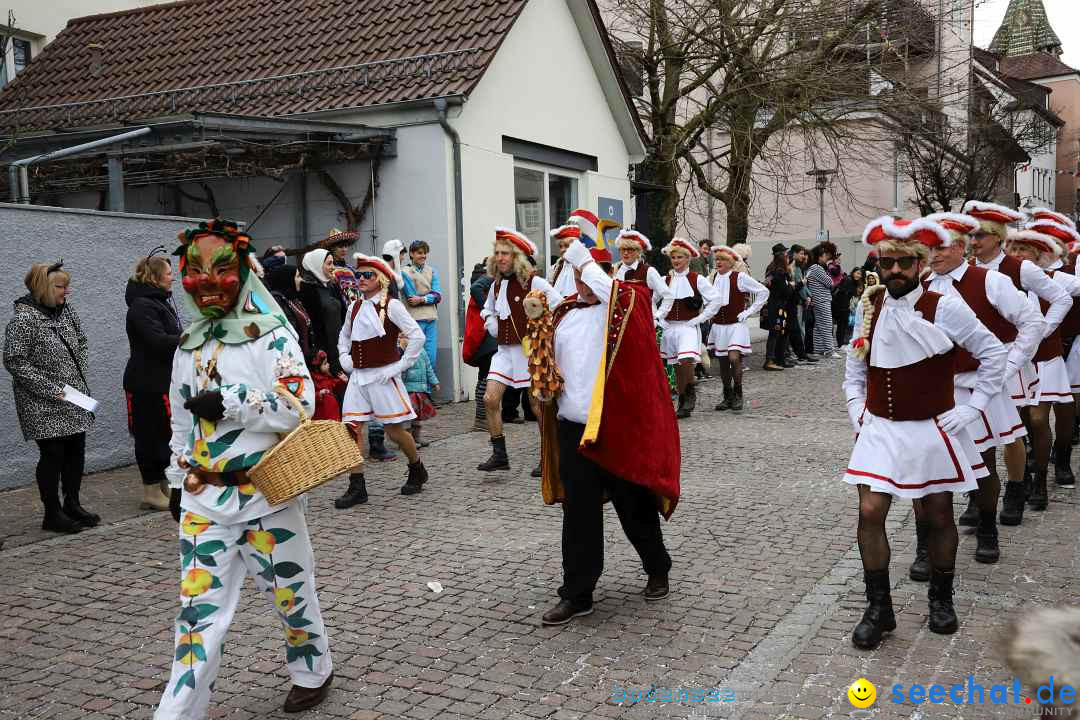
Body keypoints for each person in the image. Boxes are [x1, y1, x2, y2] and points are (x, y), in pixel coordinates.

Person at [156, 219, 332, 719]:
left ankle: (313, 669)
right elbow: (179, 419)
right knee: (197, 616)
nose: (208, 283)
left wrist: (234, 402)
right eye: (195, 273)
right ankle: (178, 712)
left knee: (291, 594)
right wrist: (176, 479)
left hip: (266, 494)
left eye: (221, 271)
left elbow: (301, 406)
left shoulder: (270, 338)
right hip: (203, 500)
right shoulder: (188, 344)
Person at [843, 216, 1007, 650]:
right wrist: (857, 410)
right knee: (870, 512)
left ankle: (941, 598)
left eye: (904, 263)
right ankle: (879, 608)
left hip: (932, 428)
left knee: (937, 514)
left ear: (919, 265)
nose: (895, 270)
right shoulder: (870, 306)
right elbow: (854, 369)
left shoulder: (945, 305)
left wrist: (972, 409)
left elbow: (994, 354)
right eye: (887, 262)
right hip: (880, 428)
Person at [539, 239, 680, 625]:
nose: (583, 283)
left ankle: (657, 566)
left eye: (590, 274)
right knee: (578, 512)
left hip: (615, 428)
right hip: (572, 427)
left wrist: (586, 263)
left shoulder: (626, 304)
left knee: (633, 504)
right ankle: (578, 592)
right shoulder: (565, 313)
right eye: (578, 275)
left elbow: (612, 295)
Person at [919, 212, 1042, 573]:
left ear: (959, 246)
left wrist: (1007, 365)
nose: (933, 255)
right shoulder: (922, 283)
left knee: (985, 462)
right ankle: (925, 545)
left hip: (979, 386)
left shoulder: (991, 281)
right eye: (929, 249)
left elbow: (1031, 322)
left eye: (939, 248)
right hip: (935, 388)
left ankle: (988, 529)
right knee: (926, 465)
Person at [966, 201, 1071, 514]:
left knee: (1012, 431)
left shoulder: (1019, 268)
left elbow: (1060, 297)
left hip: (1012, 359)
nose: (974, 241)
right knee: (975, 430)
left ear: (997, 237)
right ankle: (978, 497)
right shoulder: (964, 270)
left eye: (981, 235)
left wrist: (1041, 332)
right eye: (971, 235)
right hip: (974, 362)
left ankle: (1019, 489)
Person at [4, 261, 99, 534]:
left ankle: (73, 504)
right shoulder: (24, 319)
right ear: (43, 287)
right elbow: (14, 360)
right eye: (61, 286)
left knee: (76, 450)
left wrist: (76, 376)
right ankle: (52, 513)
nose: (67, 292)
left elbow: (80, 340)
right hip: (42, 401)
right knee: (53, 455)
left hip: (73, 396)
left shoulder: (66, 312)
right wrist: (50, 388)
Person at [334, 255, 430, 508]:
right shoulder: (355, 306)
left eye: (368, 275)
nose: (362, 279)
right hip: (358, 377)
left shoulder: (393, 306)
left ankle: (416, 467)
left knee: (394, 431)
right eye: (359, 275)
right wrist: (345, 359)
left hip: (383, 376)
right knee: (351, 429)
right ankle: (357, 486)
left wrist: (399, 366)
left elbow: (417, 337)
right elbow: (343, 336)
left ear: (381, 279)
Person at [478, 228, 562, 475]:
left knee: (537, 405)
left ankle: (549, 455)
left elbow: (559, 306)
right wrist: (490, 322)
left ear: (517, 257)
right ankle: (499, 454)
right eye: (497, 253)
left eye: (506, 253)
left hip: (529, 352)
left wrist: (543, 332)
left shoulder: (534, 282)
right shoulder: (495, 285)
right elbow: (487, 310)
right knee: (489, 399)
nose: (500, 257)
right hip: (504, 352)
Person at [1005, 227, 1078, 509]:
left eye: (1025, 251)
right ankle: (1021, 475)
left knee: (1038, 418)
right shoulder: (1002, 280)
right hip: (1017, 360)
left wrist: (1045, 329)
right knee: (1018, 422)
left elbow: (1070, 294)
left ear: (1038, 256)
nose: (1018, 256)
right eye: (1014, 250)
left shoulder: (1055, 278)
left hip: (1046, 357)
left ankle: (1046, 473)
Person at [124, 250, 182, 512]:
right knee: (150, 436)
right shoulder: (142, 306)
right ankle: (150, 489)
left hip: (160, 379)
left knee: (163, 434)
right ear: (156, 277)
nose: (174, 279)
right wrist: (187, 338)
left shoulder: (158, 302)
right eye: (170, 274)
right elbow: (157, 341)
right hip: (146, 382)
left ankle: (162, 484)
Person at [1026, 216, 1080, 489]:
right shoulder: (1011, 277)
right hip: (1032, 355)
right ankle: (1034, 460)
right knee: (1034, 416)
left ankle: (1062, 460)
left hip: (1064, 348)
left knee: (1067, 409)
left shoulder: (1064, 275)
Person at [660, 238, 720, 418]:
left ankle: (690, 392)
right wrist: (659, 319)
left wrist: (700, 318)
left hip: (688, 327)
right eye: (673, 257)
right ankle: (682, 399)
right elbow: (650, 299)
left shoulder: (697, 279)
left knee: (686, 360)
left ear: (687, 259)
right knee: (677, 365)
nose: (676, 260)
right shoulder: (665, 280)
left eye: (679, 257)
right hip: (670, 328)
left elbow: (715, 299)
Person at [709, 245, 769, 411]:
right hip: (719, 326)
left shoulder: (740, 277)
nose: (718, 262)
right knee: (722, 361)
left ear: (731, 262)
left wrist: (748, 312)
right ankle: (727, 395)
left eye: (722, 259)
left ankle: (738, 393)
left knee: (734, 358)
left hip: (736, 325)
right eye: (717, 259)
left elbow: (763, 292)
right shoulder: (713, 277)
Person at [299, 248, 344, 374]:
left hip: (339, 349)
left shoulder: (331, 285)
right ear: (318, 265)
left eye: (333, 263)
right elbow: (312, 326)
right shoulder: (308, 289)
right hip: (324, 356)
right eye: (329, 264)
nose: (333, 267)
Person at [612, 230, 674, 321]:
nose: (625, 253)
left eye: (630, 249)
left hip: (644, 323)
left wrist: (657, 317)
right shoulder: (615, 270)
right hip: (621, 325)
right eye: (623, 249)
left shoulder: (648, 271)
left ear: (638, 252)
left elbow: (668, 296)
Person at [468, 258, 499, 432]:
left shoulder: (484, 277)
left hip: (485, 336)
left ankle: (483, 418)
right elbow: (475, 289)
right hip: (485, 337)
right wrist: (488, 311)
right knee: (486, 377)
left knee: (484, 377)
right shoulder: (487, 278)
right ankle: (481, 419)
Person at [401, 240, 442, 371]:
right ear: (411, 254)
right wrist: (428, 296)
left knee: (431, 358)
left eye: (425, 253)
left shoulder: (432, 271)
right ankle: (415, 392)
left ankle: (428, 391)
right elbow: (410, 297)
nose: (423, 256)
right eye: (420, 253)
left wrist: (422, 299)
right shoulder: (404, 272)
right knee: (415, 359)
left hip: (430, 319)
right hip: (413, 320)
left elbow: (438, 296)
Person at [265, 263, 313, 362]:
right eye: (298, 276)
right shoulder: (277, 301)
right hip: (292, 360)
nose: (301, 280)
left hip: (305, 358)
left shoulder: (292, 298)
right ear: (287, 279)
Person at [400, 334, 439, 449]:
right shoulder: (403, 354)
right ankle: (407, 441)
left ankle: (416, 437)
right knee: (408, 417)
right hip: (407, 390)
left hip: (420, 390)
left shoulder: (422, 352)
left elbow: (428, 368)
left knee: (417, 417)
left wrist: (435, 382)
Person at [763, 245, 794, 371]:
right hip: (778, 307)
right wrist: (792, 286)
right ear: (781, 256)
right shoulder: (780, 272)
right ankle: (770, 360)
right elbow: (785, 291)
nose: (788, 257)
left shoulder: (771, 269)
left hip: (774, 305)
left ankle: (777, 359)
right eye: (786, 255)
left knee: (777, 333)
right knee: (775, 334)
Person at [806, 242, 839, 358]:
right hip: (822, 299)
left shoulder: (813, 268)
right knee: (826, 325)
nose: (827, 258)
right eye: (825, 256)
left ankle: (819, 349)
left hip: (818, 299)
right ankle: (830, 350)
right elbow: (830, 282)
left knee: (819, 326)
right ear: (819, 256)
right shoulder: (816, 268)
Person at [786, 244, 817, 363]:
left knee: (798, 328)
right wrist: (807, 297)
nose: (804, 256)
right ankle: (796, 352)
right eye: (802, 254)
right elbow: (799, 284)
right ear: (794, 253)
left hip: (798, 300)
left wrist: (809, 295)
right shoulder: (794, 267)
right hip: (795, 301)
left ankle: (799, 352)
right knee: (797, 329)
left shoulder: (798, 267)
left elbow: (802, 284)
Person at [309, 350, 347, 422]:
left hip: (332, 413)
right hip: (322, 416)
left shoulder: (326, 377)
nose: (328, 364)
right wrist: (319, 394)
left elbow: (334, 387)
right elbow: (310, 397)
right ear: (317, 367)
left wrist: (342, 381)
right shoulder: (313, 380)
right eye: (325, 363)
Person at [547, 225, 581, 298]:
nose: (562, 250)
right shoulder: (554, 269)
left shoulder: (583, 267)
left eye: (566, 246)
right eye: (560, 246)